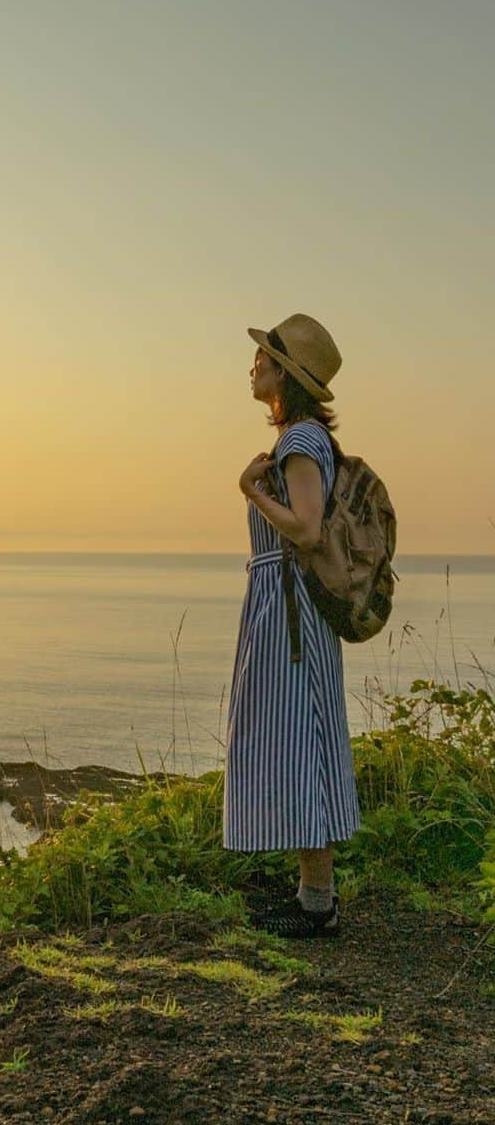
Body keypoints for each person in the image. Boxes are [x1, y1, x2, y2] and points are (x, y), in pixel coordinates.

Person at [224, 312, 361, 938]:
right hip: (284, 601)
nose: (254, 364)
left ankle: (316, 903)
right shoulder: (301, 440)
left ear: (286, 374)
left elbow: (306, 528)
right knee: (297, 738)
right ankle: (312, 893)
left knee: (300, 739)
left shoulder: (299, 442)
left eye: (264, 356)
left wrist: (252, 489)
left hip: (293, 607)